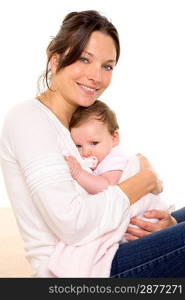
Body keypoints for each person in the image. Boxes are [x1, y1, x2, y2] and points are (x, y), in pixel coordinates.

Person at [0, 10, 184, 278]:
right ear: (55, 60)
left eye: (107, 66)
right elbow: (72, 224)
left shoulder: (76, 123)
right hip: (80, 272)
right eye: (84, 59)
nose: (96, 77)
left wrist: (163, 224)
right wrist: (145, 179)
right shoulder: (29, 118)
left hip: (108, 246)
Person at [47, 100, 171, 277]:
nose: (86, 152)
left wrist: (79, 174)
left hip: (145, 216)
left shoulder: (115, 158)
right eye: (78, 146)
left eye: (94, 143)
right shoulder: (98, 159)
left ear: (115, 138)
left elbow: (109, 187)